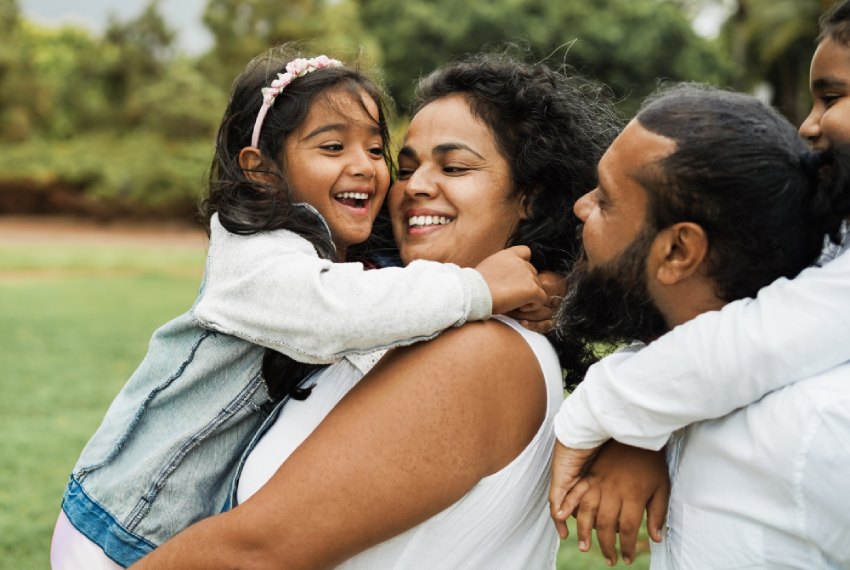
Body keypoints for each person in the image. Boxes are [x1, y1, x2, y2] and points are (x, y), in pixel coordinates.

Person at [128, 53, 663, 570]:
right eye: (405, 168)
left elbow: (253, 554)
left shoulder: (481, 353)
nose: (416, 187)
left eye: (454, 166)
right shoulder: (391, 310)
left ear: (531, 195)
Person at [50, 46, 552, 569]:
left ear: (530, 196)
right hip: (121, 523)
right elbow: (338, 311)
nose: (371, 169)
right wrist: (477, 288)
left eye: (377, 150)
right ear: (263, 172)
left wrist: (544, 285)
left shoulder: (382, 279)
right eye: (333, 146)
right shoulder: (255, 257)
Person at [549, 1, 850, 561]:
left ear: (681, 249)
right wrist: (645, 428)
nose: (811, 124)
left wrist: (609, 410)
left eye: (833, 97)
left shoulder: (818, 428)